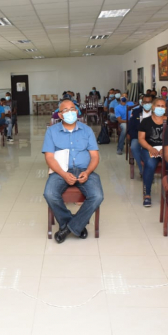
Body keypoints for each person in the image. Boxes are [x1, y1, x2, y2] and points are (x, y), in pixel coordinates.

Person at [43, 98, 104, 244]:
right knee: (49, 194)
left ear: (77, 111)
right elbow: (49, 158)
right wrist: (63, 174)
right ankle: (76, 225)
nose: (70, 112)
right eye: (66, 110)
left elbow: (95, 156)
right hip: (61, 170)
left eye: (72, 109)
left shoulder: (87, 130)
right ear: (60, 115)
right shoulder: (52, 131)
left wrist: (88, 172)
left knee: (97, 196)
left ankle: (68, 228)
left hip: (84, 170)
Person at [138, 98, 166, 207]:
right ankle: (147, 194)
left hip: (165, 149)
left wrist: (165, 149)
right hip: (149, 148)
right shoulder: (146, 121)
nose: (160, 108)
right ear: (153, 107)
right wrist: (150, 148)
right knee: (150, 164)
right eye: (158, 105)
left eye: (163, 106)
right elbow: (141, 139)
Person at [127, 95, 153, 177]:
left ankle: (150, 169)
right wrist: (138, 137)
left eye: (149, 102)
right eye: (145, 102)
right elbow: (131, 127)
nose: (147, 104)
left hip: (153, 137)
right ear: (142, 103)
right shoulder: (136, 112)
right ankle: (143, 170)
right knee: (134, 147)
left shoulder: (155, 112)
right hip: (137, 136)